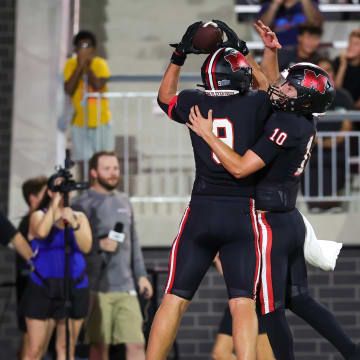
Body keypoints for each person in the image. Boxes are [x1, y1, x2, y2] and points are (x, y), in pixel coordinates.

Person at [188, 22, 360, 360]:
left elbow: (239, 167)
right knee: (300, 298)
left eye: (291, 88)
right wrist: (265, 53)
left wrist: (208, 135)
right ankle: (352, 351)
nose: (282, 87)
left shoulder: (285, 124)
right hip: (289, 219)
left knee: (270, 309)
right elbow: (270, 87)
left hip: (267, 222)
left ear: (303, 98)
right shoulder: (301, 117)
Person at [146, 20, 276, 360]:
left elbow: (164, 99)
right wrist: (246, 54)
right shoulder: (257, 104)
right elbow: (269, 90)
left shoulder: (194, 101)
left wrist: (178, 55)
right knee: (243, 304)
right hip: (241, 213)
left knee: (174, 298)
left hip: (201, 211)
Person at [71, 150, 153, 360]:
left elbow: (133, 241)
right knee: (99, 348)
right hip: (97, 288)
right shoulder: (82, 203)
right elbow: (72, 246)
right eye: (107, 169)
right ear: (94, 173)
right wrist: (98, 245)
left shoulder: (124, 201)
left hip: (126, 287)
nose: (113, 173)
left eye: (115, 168)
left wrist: (141, 275)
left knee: (137, 345)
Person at [21, 183, 92, 360]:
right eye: (59, 190)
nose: (64, 193)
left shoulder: (79, 216)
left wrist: (74, 223)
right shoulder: (39, 215)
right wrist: (55, 204)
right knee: (35, 350)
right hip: (43, 287)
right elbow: (41, 232)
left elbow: (86, 246)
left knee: (66, 349)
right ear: (50, 192)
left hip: (73, 286)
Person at [302, 57, 354, 212]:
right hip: (312, 149)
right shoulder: (306, 95)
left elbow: (347, 125)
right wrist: (317, 141)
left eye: (329, 70)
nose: (326, 73)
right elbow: (303, 122)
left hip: (337, 149)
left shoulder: (343, 96)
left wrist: (331, 142)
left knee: (336, 163)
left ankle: (333, 205)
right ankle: (314, 206)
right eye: (321, 70)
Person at [64, 30, 114, 172]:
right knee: (84, 165)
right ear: (75, 49)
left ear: (94, 49)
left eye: (88, 46)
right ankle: (86, 192)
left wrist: (86, 65)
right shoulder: (70, 65)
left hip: (101, 121)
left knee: (104, 162)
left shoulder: (100, 64)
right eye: (81, 46)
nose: (85, 50)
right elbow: (68, 89)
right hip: (79, 122)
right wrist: (79, 66)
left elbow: (98, 85)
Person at [211, 254, 275, 360]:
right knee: (220, 353)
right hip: (240, 299)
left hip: (255, 298)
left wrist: (217, 257)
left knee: (264, 356)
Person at [16, 176, 52, 360]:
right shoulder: (28, 223)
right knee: (31, 348)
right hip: (30, 292)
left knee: (39, 348)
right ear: (33, 198)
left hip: (43, 291)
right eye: (46, 193)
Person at [258, 0, 323, 46]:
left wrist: (305, 1)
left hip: (302, 53)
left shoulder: (310, 4)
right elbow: (262, 28)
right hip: (276, 52)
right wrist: (275, 4)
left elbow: (316, 24)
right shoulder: (269, 5)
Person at [334, 28, 360, 110]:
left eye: (356, 44)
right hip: (339, 108)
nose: (351, 46)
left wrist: (351, 113)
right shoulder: (338, 61)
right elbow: (336, 92)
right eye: (350, 42)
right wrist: (343, 65)